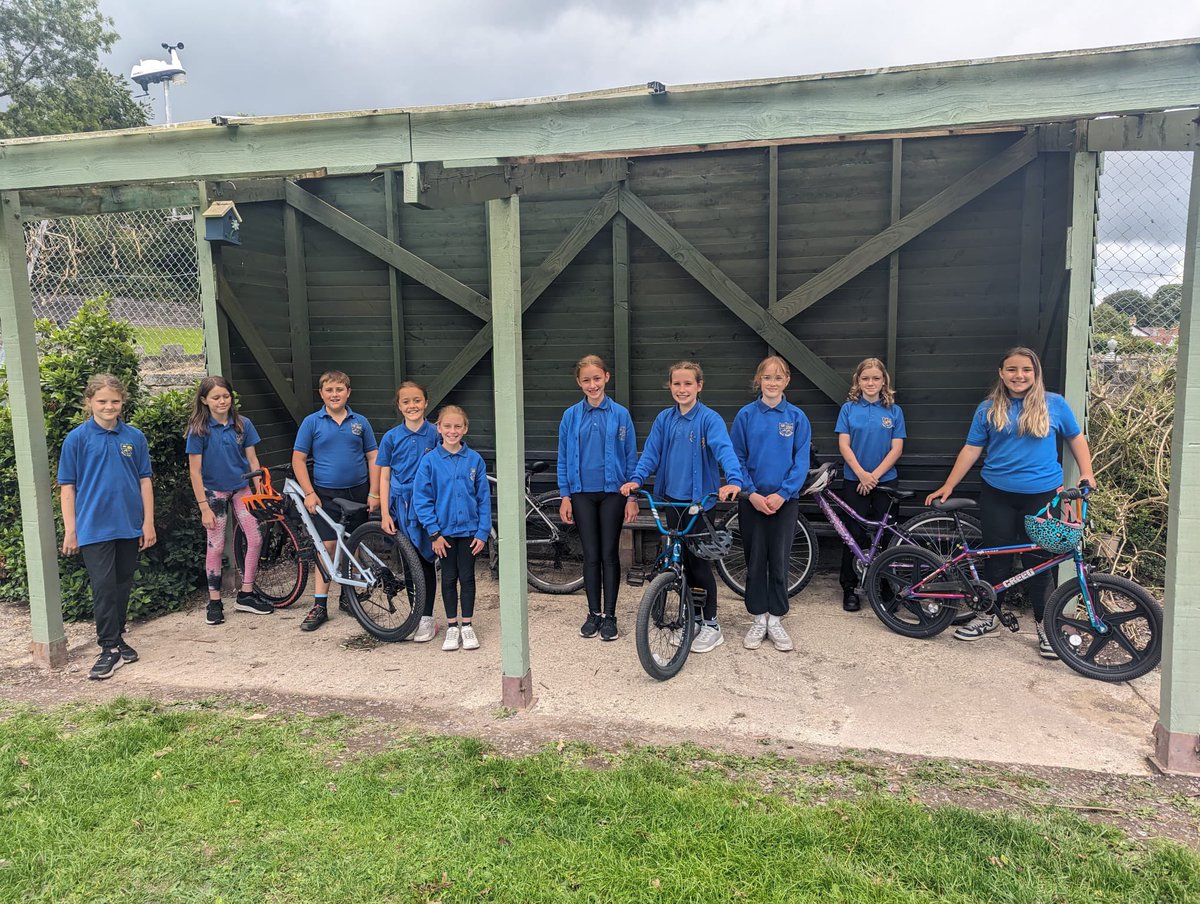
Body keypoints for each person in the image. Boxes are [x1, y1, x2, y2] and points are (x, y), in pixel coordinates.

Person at [926, 347, 1095, 657]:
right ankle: (988, 616)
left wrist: (1087, 474)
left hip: (1044, 498)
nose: (1019, 376)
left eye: (1026, 370)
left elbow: (1076, 438)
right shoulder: (988, 408)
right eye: (1012, 370)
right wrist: (948, 485)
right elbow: (971, 449)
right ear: (1002, 374)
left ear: (1035, 373)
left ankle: (1046, 628)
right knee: (996, 558)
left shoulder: (1054, 404)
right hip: (997, 495)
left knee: (1040, 564)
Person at [620, 361, 742, 654]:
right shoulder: (665, 419)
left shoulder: (709, 420)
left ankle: (711, 624)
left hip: (699, 504)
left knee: (699, 564)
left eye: (688, 384)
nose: (682, 389)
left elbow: (724, 450)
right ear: (670, 386)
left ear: (699, 386)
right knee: (679, 562)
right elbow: (651, 453)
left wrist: (733, 480)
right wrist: (636, 480)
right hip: (671, 500)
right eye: (677, 384)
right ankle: (693, 618)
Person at [58, 374, 156, 680]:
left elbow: (144, 480)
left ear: (123, 401)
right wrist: (71, 529)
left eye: (114, 401)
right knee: (102, 587)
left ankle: (117, 638)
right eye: (101, 401)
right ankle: (108, 649)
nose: (108, 406)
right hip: (93, 526)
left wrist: (148, 522)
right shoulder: (77, 439)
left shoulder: (134, 437)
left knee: (122, 584)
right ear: (89, 402)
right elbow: (67, 487)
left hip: (128, 524)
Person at [730, 356, 811, 652]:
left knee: (778, 561)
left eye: (778, 377)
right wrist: (750, 493)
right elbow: (737, 458)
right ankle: (756, 618)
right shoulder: (746, 416)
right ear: (758, 381)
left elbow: (800, 462)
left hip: (784, 502)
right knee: (755, 561)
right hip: (752, 502)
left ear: (787, 381)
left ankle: (775, 618)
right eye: (767, 377)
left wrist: (783, 493)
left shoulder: (797, 418)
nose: (772, 383)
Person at [557, 355, 639, 641]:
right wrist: (565, 495)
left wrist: (631, 497)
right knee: (590, 555)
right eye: (586, 380)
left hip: (613, 493)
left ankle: (611, 616)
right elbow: (563, 458)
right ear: (579, 382)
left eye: (597, 378)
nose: (592, 384)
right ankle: (593, 613)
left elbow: (630, 456)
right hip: (581, 494)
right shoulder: (570, 416)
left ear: (607, 377)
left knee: (608, 554)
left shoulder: (620, 415)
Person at [291, 370, 378, 632]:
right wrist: (309, 492)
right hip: (326, 494)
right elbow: (298, 459)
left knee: (353, 545)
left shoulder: (359, 422)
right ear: (322, 394)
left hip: (358, 492)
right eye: (329, 390)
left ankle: (348, 598)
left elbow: (373, 456)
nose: (335, 394)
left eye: (340, 390)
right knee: (327, 547)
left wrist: (374, 492)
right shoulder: (312, 422)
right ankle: (319, 605)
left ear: (348, 392)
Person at [185, 375, 272, 626]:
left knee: (255, 537)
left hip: (242, 487)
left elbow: (253, 461)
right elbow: (194, 471)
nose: (222, 401)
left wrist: (259, 492)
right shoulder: (198, 430)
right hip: (214, 493)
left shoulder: (242, 424)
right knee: (216, 543)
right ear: (204, 400)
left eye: (225, 396)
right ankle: (214, 601)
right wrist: (203, 506)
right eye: (215, 397)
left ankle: (246, 593)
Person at [413, 405, 491, 652]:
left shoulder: (474, 460)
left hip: (469, 533)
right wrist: (434, 533)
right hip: (443, 535)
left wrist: (482, 531)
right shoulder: (430, 462)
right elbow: (422, 499)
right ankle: (451, 626)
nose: (452, 431)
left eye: (458, 426)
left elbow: (483, 498)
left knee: (467, 577)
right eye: (447, 426)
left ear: (465, 429)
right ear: (439, 428)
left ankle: (467, 625)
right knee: (448, 578)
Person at [835, 357, 906, 612]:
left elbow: (897, 448)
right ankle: (850, 587)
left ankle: (887, 586)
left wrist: (873, 475)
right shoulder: (848, 409)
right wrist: (861, 474)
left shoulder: (894, 410)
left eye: (876, 378)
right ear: (858, 381)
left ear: (883, 380)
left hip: (885, 482)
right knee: (851, 534)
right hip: (855, 481)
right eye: (865, 378)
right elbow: (844, 444)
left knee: (886, 536)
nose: (871, 383)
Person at [375, 381, 440, 643]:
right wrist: (384, 513)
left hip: (428, 505)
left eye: (417, 400)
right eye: (406, 402)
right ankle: (415, 615)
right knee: (409, 563)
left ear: (425, 402)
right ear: (399, 406)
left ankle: (427, 618)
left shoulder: (436, 434)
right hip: (400, 506)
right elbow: (385, 477)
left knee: (427, 562)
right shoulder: (391, 437)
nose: (412, 406)